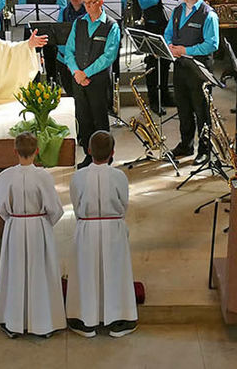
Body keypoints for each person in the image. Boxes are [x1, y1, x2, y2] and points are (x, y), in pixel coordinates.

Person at [65, 131, 138, 338]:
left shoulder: (78, 176)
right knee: (115, 271)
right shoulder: (119, 176)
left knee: (86, 272)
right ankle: (119, 319)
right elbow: (123, 203)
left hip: (87, 228)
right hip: (113, 227)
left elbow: (75, 203)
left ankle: (84, 320)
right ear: (113, 152)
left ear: (88, 151)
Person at [0, 132, 66, 338]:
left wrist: (16, 220)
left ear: (15, 151)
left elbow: (1, 208)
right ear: (37, 151)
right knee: (40, 273)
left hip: (15, 225)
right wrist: (43, 223)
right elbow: (55, 208)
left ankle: (14, 323)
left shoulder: (4, 176)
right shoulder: (43, 176)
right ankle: (43, 324)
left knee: (15, 273)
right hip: (39, 227)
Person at [164, 0, 220, 160]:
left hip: (199, 70)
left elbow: (212, 44)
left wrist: (185, 50)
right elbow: (168, 33)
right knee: (184, 108)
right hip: (180, 67)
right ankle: (186, 144)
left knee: (201, 109)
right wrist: (170, 46)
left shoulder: (208, 14)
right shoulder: (178, 11)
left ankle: (204, 149)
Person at [65, 0, 121, 169]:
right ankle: (89, 156)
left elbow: (108, 56)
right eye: (85, 4)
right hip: (79, 80)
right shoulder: (79, 23)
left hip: (98, 81)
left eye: (91, 3)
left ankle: (105, 156)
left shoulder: (111, 25)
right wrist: (76, 72)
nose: (88, 7)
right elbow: (69, 51)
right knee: (84, 118)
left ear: (101, 3)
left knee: (99, 119)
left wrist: (86, 73)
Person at [133, 0, 177, 114]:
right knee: (153, 64)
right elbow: (144, 2)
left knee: (166, 62)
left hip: (165, 23)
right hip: (152, 24)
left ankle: (165, 95)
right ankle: (154, 101)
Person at [56, 0, 88, 96]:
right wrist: (69, 60)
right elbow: (59, 37)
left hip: (83, 61)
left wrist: (75, 61)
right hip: (64, 58)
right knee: (70, 93)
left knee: (82, 95)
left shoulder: (88, 13)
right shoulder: (63, 12)